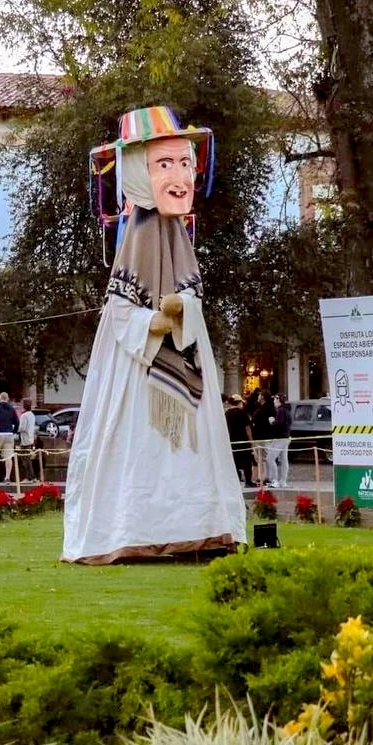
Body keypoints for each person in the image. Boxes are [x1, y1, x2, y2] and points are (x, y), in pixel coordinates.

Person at [62, 107, 245, 563]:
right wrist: (155, 323)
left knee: (189, 448)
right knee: (141, 445)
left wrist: (184, 311)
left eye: (184, 163)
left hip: (183, 354)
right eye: (165, 164)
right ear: (138, 174)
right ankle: (136, 530)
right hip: (139, 369)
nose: (179, 176)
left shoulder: (177, 235)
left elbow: (190, 294)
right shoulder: (138, 234)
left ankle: (197, 528)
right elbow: (122, 311)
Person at [225, 395, 254, 486]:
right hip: (244, 441)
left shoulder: (227, 414)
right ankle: (248, 481)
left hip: (232, 441)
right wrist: (251, 441)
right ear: (239, 402)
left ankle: (236, 481)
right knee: (247, 462)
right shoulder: (243, 413)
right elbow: (247, 428)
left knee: (235, 461)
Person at [265, 394, 292, 489]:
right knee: (284, 460)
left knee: (270, 458)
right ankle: (283, 481)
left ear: (278, 400)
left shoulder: (281, 410)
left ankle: (275, 480)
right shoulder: (287, 410)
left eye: (275, 400)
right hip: (286, 437)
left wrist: (272, 421)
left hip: (280, 438)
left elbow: (279, 424)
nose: (273, 402)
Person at [18, 400, 39, 481]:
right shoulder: (32, 415)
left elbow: (22, 428)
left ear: (24, 406)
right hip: (30, 438)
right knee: (27, 458)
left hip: (25, 440)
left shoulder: (24, 416)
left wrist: (15, 429)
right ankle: (32, 476)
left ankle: (30, 477)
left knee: (25, 459)